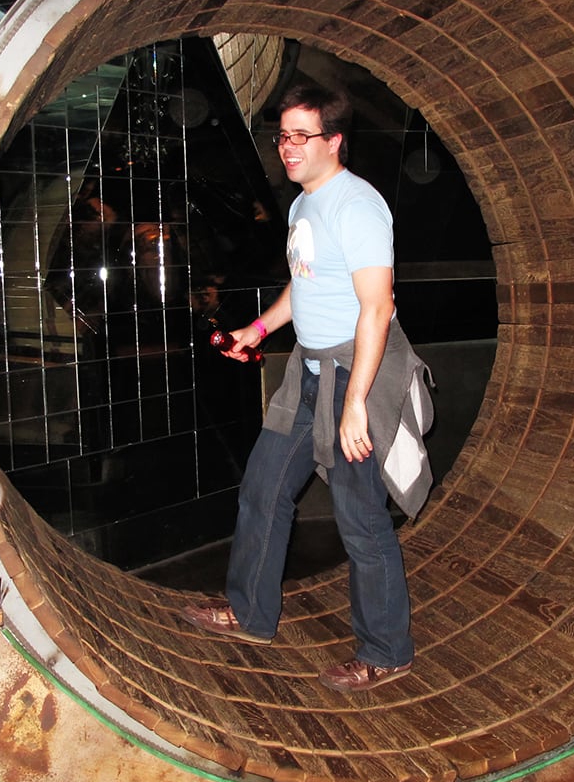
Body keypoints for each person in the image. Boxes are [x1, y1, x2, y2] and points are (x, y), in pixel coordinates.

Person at [180, 84, 433, 692]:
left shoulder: (357, 206)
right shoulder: (300, 206)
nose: (287, 147)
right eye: (283, 135)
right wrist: (259, 327)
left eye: (301, 136)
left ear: (334, 141)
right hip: (310, 368)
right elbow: (307, 286)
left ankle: (386, 649)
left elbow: (377, 309)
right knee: (264, 488)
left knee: (360, 517)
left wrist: (353, 409)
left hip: (359, 373)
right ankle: (249, 609)